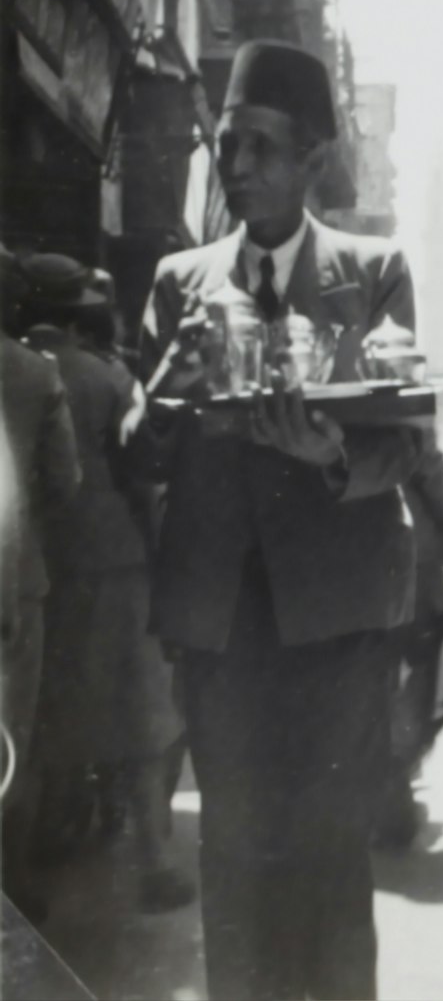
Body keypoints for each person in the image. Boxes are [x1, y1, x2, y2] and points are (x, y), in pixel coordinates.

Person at [140, 40, 423, 1001]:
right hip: (222, 629)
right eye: (227, 147)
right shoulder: (180, 284)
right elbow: (133, 459)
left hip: (338, 625)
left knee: (332, 859)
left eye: (261, 147)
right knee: (234, 857)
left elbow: (406, 439)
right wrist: (166, 383)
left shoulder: (373, 273)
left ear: (311, 161)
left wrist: (331, 456)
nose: (240, 169)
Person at [20, 254, 193, 913]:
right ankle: (154, 862)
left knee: (41, 718)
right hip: (117, 566)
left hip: (40, 569)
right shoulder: (110, 377)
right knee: (142, 718)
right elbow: (146, 483)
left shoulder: (23, 367)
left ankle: (26, 866)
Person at [0, 247, 81, 923]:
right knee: (12, 736)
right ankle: (12, 882)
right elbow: (66, 483)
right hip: (14, 583)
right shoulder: (34, 374)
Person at [375, 438, 443, 849]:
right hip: (411, 560)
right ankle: (395, 773)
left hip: (342, 568)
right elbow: (431, 473)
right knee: (424, 671)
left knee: (368, 679)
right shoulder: (396, 404)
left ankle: (385, 778)